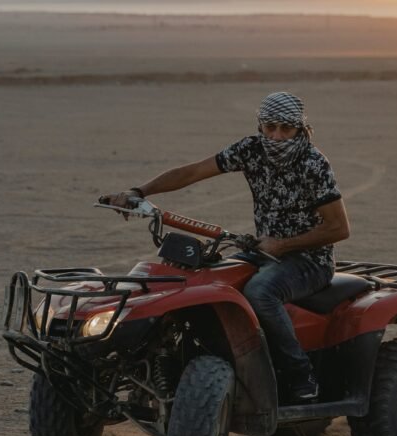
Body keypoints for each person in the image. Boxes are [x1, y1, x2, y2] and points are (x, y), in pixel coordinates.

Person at [101, 92, 350, 402]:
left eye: (286, 129)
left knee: (261, 292)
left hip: (310, 261)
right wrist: (139, 190)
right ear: (261, 126)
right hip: (264, 252)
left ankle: (301, 374)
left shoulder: (314, 164)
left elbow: (339, 228)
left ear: (300, 129)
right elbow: (193, 171)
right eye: (270, 127)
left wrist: (283, 245)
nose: (276, 136)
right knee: (200, 280)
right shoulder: (250, 150)